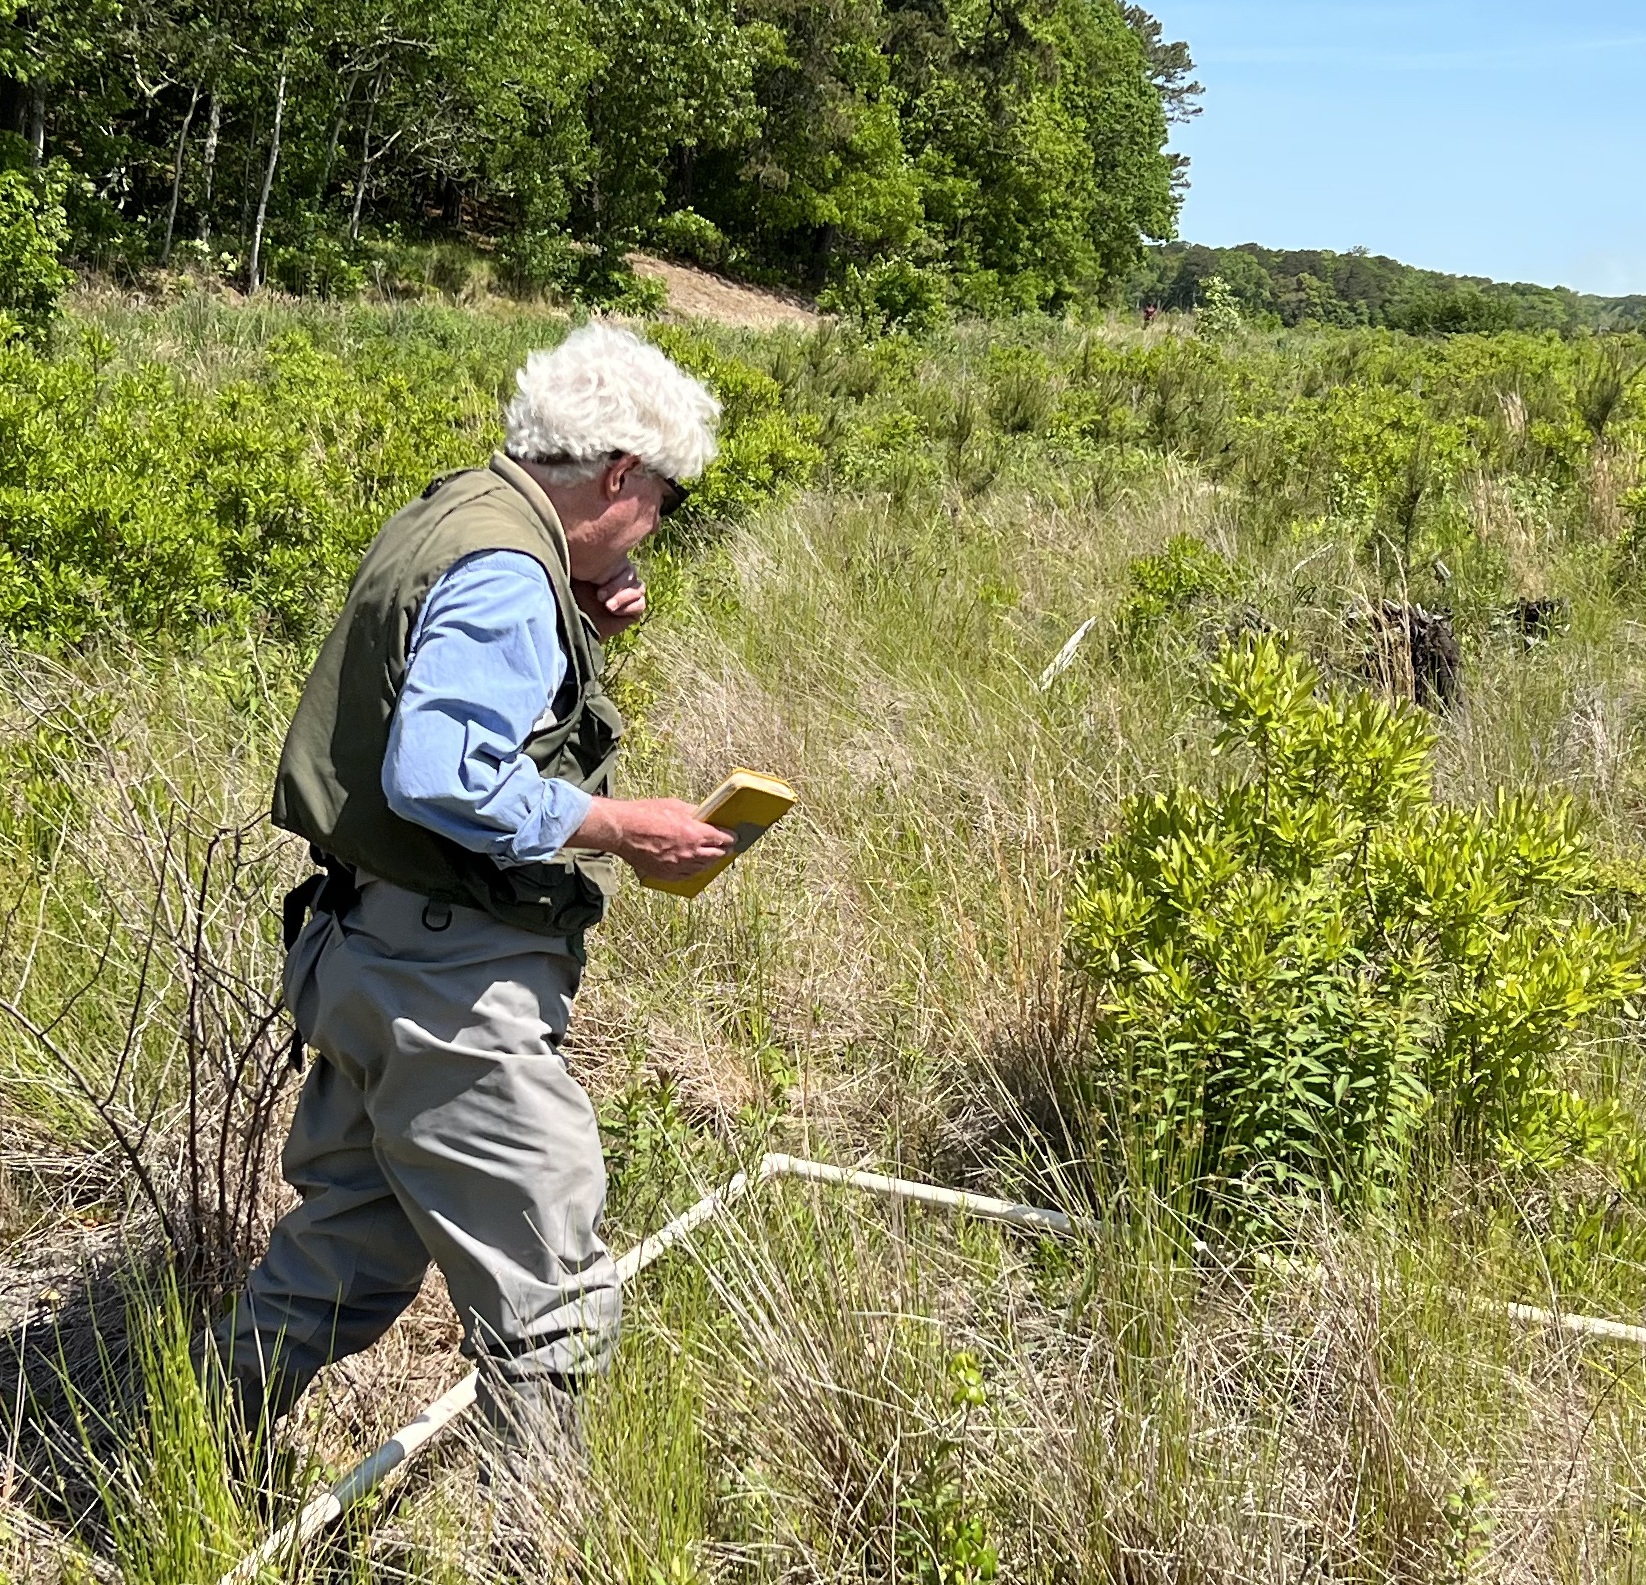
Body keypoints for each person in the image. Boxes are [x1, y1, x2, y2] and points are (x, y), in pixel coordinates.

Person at [205, 322, 737, 1450]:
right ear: (619, 474)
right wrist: (614, 825)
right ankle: (545, 1546)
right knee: (549, 1292)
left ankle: (176, 1458)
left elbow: (438, 683)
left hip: (368, 953)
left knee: (342, 1254)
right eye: (666, 502)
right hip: (447, 988)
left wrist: (575, 613)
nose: (657, 527)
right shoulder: (507, 568)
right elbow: (441, 771)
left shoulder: (463, 513)